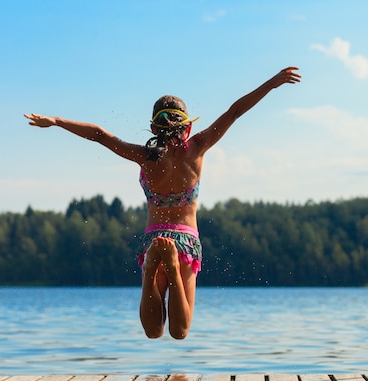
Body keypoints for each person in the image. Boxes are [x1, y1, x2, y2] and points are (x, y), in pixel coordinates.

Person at [24, 67, 301, 339]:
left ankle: (152, 269)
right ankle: (171, 263)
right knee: (180, 332)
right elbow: (234, 112)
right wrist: (272, 83)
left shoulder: (145, 156)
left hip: (153, 239)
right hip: (186, 241)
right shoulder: (198, 147)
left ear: (154, 127)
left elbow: (99, 135)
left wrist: (57, 121)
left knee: (153, 331)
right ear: (189, 126)